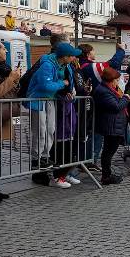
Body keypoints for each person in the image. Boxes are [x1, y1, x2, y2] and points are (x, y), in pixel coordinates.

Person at [26, 42, 81, 171]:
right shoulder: (47, 65)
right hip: (38, 101)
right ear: (65, 56)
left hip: (50, 100)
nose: (74, 58)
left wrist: (66, 93)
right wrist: (62, 83)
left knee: (50, 129)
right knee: (40, 130)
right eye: (72, 55)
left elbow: (59, 86)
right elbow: (45, 86)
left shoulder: (62, 65)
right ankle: (36, 158)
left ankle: (45, 156)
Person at [0, 38, 22, 201]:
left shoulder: (2, 69)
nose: (6, 51)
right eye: (3, 49)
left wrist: (15, 80)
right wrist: (10, 79)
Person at [91, 67, 130, 185]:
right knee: (108, 151)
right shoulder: (103, 91)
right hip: (110, 124)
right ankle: (106, 176)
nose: (117, 82)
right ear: (111, 79)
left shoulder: (109, 89)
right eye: (116, 80)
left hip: (114, 123)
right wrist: (126, 98)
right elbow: (116, 107)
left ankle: (107, 174)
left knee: (109, 151)